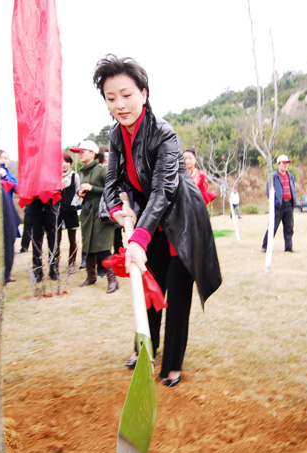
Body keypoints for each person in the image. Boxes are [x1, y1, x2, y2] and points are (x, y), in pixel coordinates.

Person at [93, 54, 221, 387]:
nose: (120, 104)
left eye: (126, 94)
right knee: (149, 290)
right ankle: (145, 348)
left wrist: (138, 239)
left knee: (176, 294)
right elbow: (111, 181)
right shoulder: (116, 134)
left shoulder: (164, 133)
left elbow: (164, 189)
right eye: (111, 98)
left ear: (144, 94)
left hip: (181, 222)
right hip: (150, 223)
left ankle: (173, 365)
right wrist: (116, 209)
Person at [71, 140, 117, 293]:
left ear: (92, 153)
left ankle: (113, 280)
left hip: (101, 212)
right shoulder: (82, 171)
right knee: (88, 245)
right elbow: (83, 191)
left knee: (103, 247)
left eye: (83, 151)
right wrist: (81, 193)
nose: (80, 154)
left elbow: (111, 190)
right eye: (80, 151)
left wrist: (93, 188)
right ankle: (91, 277)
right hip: (87, 211)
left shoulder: (102, 170)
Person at [261, 154, 296, 253]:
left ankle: (288, 247)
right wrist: (275, 202)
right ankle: (265, 246)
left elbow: (292, 188)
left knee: (289, 227)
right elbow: (269, 190)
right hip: (278, 206)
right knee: (272, 226)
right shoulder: (273, 176)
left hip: (288, 204)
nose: (286, 165)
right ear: (278, 164)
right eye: (284, 163)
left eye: (287, 163)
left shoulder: (290, 176)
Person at [58, 153, 81, 274]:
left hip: (70, 211)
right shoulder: (55, 176)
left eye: (66, 161)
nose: (64, 164)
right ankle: (55, 263)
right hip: (57, 211)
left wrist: (73, 204)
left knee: (72, 239)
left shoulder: (74, 176)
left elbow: (78, 191)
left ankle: (72, 263)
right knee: (56, 240)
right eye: (61, 161)